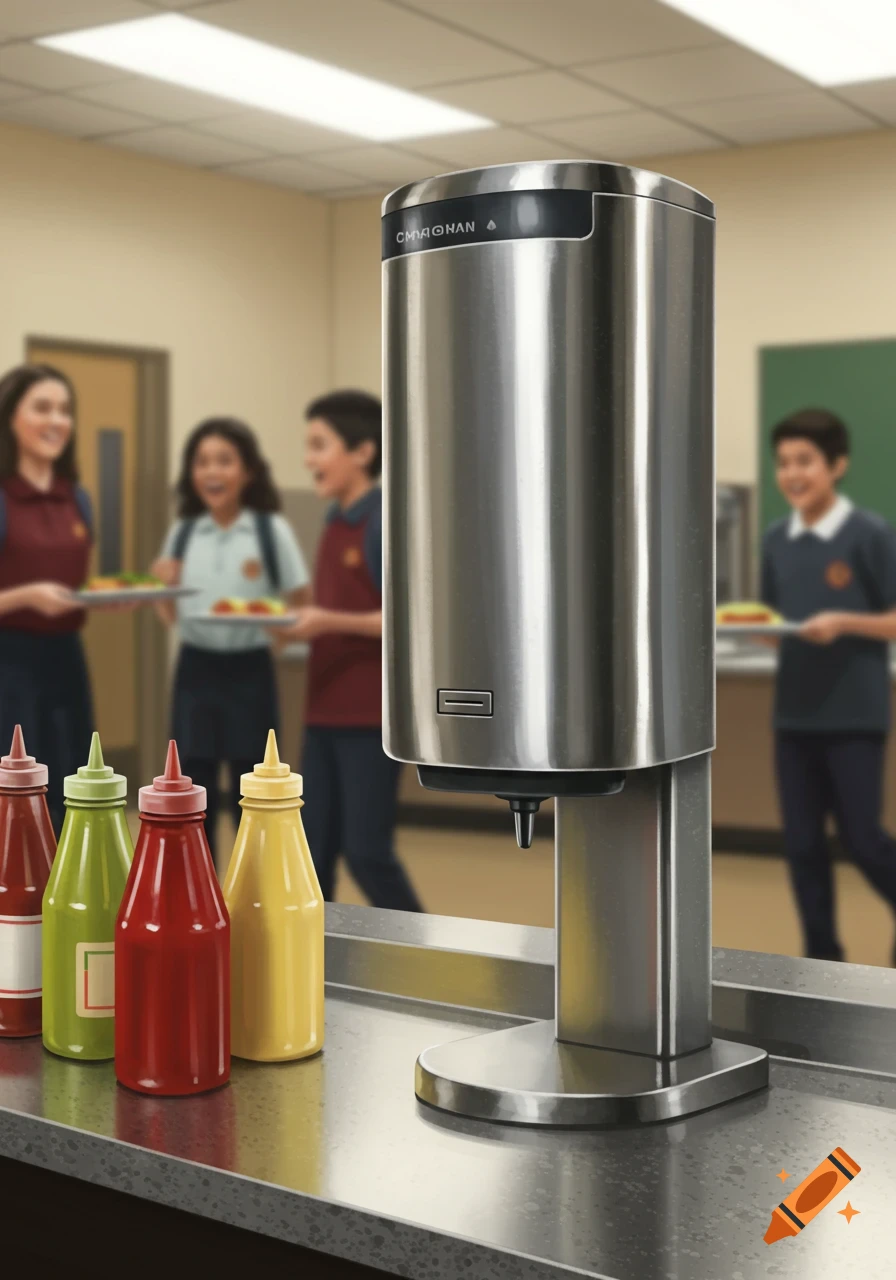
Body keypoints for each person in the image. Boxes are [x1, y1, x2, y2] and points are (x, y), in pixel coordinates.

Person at [761, 408, 896, 963]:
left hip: (854, 717)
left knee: (863, 840)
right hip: (793, 718)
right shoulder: (775, 539)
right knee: (802, 848)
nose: (793, 473)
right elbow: (775, 619)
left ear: (836, 466)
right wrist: (764, 631)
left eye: (805, 462)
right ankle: (822, 960)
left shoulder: (869, 534)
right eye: (784, 462)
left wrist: (842, 623)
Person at [283, 390, 422, 912]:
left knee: (367, 854)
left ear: (363, 452)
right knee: (312, 854)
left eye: (320, 445)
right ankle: (317, 962)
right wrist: (307, 625)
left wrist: (325, 620)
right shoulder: (334, 520)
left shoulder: (380, 521)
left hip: (368, 720)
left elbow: (407, 622)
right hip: (323, 717)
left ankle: (424, 953)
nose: (308, 459)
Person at [153, 417, 310, 866]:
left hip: (250, 671)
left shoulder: (268, 531)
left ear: (247, 472)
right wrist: (163, 588)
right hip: (195, 670)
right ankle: (198, 892)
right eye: (201, 462)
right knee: (192, 793)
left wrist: (274, 640)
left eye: (224, 460)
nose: (211, 471)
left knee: (252, 791)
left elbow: (299, 600)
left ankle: (250, 894)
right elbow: (170, 614)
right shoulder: (183, 531)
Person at [0, 364, 95, 833]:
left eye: (64, 409)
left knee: (71, 790)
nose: (57, 420)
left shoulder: (78, 499)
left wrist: (97, 600)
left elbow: (75, 585)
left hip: (67, 662)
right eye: (42, 407)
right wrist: (27, 597)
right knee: (17, 804)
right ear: (11, 418)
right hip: (9, 666)